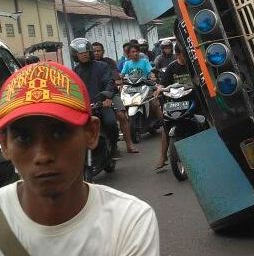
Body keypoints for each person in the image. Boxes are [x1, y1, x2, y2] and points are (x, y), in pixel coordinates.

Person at [0, 62, 160, 255]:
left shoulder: (129, 220)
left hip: (101, 103)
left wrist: (108, 96)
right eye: (24, 138)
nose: (42, 156)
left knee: (113, 120)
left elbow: (110, 86)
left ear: (91, 133)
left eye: (59, 134)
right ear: (5, 145)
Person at [69, 39, 119, 155]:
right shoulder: (74, 72)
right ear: (75, 55)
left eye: (86, 52)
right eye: (81, 53)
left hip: (102, 103)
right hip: (85, 107)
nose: (84, 55)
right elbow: (72, 89)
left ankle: (113, 146)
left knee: (111, 122)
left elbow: (109, 82)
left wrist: (107, 97)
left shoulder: (102, 66)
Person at [92, 42, 138, 154]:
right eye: (94, 51)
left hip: (111, 94)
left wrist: (114, 85)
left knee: (121, 116)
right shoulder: (84, 67)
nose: (96, 53)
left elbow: (114, 78)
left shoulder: (109, 63)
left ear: (103, 51)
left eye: (99, 50)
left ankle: (129, 144)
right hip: (94, 97)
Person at [154, 43, 193, 171]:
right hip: (176, 102)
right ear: (177, 54)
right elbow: (162, 83)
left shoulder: (193, 65)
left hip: (193, 99)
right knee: (167, 126)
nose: (185, 56)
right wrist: (159, 90)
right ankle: (162, 156)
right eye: (182, 54)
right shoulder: (171, 67)